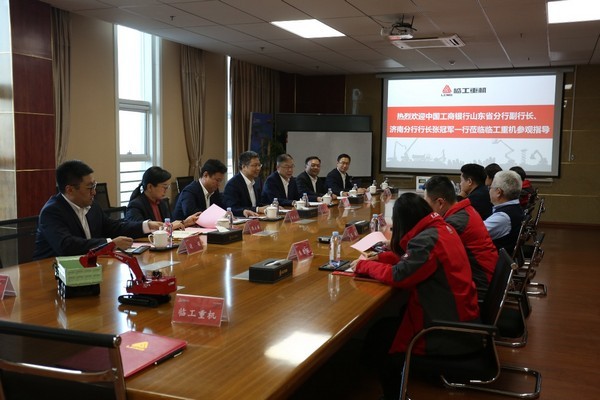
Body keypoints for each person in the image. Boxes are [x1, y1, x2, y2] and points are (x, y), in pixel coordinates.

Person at [350, 193, 480, 400]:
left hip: (445, 329)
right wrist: (381, 258)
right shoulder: (439, 228)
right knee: (382, 328)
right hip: (459, 313)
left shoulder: (426, 240)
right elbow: (411, 260)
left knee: (381, 340)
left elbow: (399, 275)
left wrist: (364, 266)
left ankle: (391, 394)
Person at [33, 160, 162, 260]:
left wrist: (147, 226)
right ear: (70, 190)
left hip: (87, 267)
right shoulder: (51, 212)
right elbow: (66, 245)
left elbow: (114, 228)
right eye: (90, 187)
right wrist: (110, 244)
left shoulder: (92, 206)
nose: (94, 192)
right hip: (52, 272)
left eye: (94, 186)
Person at [423, 175, 498, 295]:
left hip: (479, 285)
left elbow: (428, 254)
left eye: (426, 202)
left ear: (440, 202)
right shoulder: (465, 210)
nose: (425, 208)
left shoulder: (454, 223)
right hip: (485, 276)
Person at [126, 166, 200, 229]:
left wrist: (185, 223)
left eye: (167, 187)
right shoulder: (136, 205)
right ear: (150, 187)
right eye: (164, 187)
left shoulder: (161, 203)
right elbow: (138, 229)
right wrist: (168, 227)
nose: (166, 191)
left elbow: (170, 224)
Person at [485, 170, 525, 254]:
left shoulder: (503, 217)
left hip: (493, 258)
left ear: (498, 192)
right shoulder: (515, 207)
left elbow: (475, 234)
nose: (489, 191)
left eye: (490, 188)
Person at [223, 151, 267, 217]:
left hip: (255, 218)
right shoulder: (233, 184)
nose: (258, 168)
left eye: (259, 165)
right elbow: (232, 208)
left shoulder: (257, 182)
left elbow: (256, 204)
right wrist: (257, 209)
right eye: (255, 165)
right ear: (243, 167)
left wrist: (270, 207)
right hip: (241, 220)